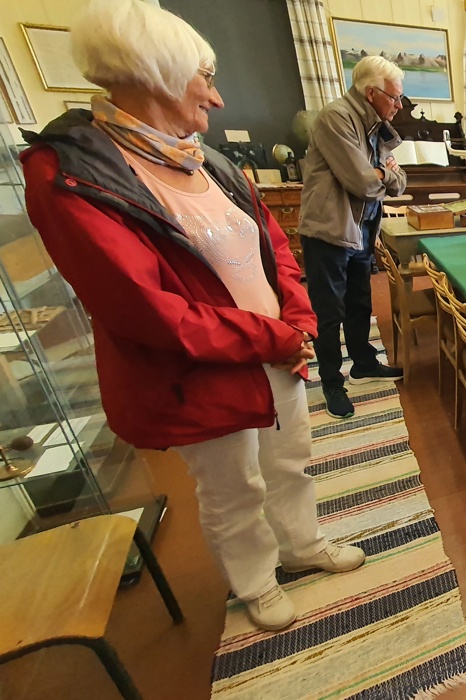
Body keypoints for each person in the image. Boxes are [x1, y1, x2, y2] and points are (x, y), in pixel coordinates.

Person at [21, 0, 364, 632]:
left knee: (288, 461)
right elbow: (147, 309)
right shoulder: (70, 173)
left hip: (276, 350)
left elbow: (272, 246)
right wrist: (275, 336)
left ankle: (302, 545)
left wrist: (297, 319)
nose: (217, 98)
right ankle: (256, 582)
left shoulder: (205, 158)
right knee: (233, 487)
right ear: (154, 75)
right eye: (205, 78)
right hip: (201, 370)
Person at [299, 55, 408, 419]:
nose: (399, 105)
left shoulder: (374, 125)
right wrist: (381, 173)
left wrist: (382, 174)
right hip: (330, 231)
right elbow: (362, 183)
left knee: (360, 302)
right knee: (329, 312)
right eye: (394, 97)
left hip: (363, 229)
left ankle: (363, 363)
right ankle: (332, 382)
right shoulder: (336, 117)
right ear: (371, 93)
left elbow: (399, 182)